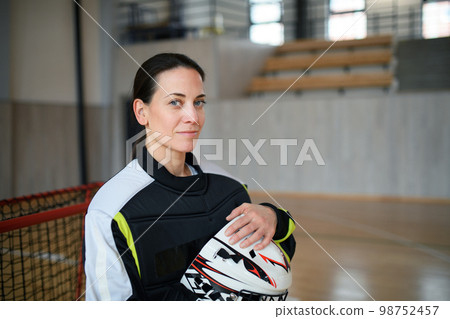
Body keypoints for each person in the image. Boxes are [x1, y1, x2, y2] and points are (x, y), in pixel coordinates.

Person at [83, 53, 296, 300]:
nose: (193, 118)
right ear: (142, 112)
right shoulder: (110, 210)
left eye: (199, 102)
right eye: (175, 102)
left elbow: (268, 261)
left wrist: (274, 218)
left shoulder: (230, 187)